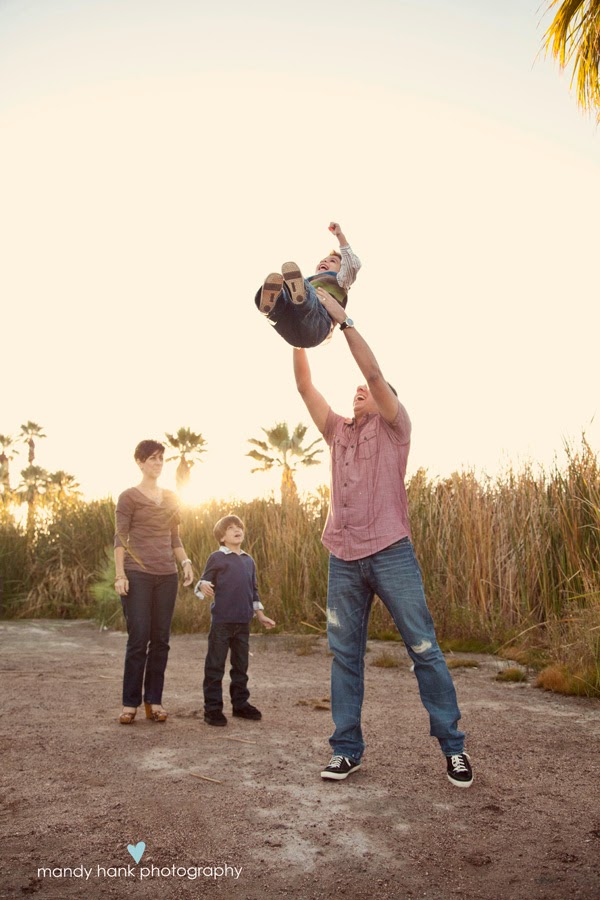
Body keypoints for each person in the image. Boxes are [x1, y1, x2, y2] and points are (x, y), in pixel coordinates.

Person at [293, 289, 473, 788]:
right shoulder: (337, 432)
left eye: (366, 390)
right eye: (354, 390)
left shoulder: (396, 427)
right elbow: (306, 386)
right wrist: (296, 328)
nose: (359, 391)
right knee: (344, 655)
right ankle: (346, 750)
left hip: (391, 551)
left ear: (386, 398)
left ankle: (453, 749)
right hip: (343, 557)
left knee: (423, 649)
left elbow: (373, 374)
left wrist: (344, 321)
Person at [114, 439, 194, 725]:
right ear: (139, 462)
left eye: (161, 459)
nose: (158, 464)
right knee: (139, 638)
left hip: (167, 575)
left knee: (161, 640)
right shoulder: (128, 497)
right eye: (152, 459)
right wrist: (120, 574)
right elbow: (120, 538)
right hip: (137, 573)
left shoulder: (172, 497)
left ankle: (154, 701)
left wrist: (185, 562)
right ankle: (130, 703)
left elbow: (175, 539)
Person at [194, 514, 276, 726]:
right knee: (215, 666)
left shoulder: (249, 560)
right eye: (230, 528)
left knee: (241, 666)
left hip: (243, 623)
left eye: (238, 526)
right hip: (222, 622)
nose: (236, 530)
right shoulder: (217, 557)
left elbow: (254, 591)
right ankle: (212, 709)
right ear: (222, 537)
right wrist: (202, 585)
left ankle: (240, 704)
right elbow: (205, 579)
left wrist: (260, 615)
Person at [255, 222, 361, 348]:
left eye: (332, 261)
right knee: (283, 304)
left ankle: (296, 299)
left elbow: (352, 265)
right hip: (293, 331)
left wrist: (339, 235)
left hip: (318, 325)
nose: (325, 261)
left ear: (342, 270)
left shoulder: (341, 279)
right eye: (323, 260)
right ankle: (271, 306)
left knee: (306, 294)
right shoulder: (310, 280)